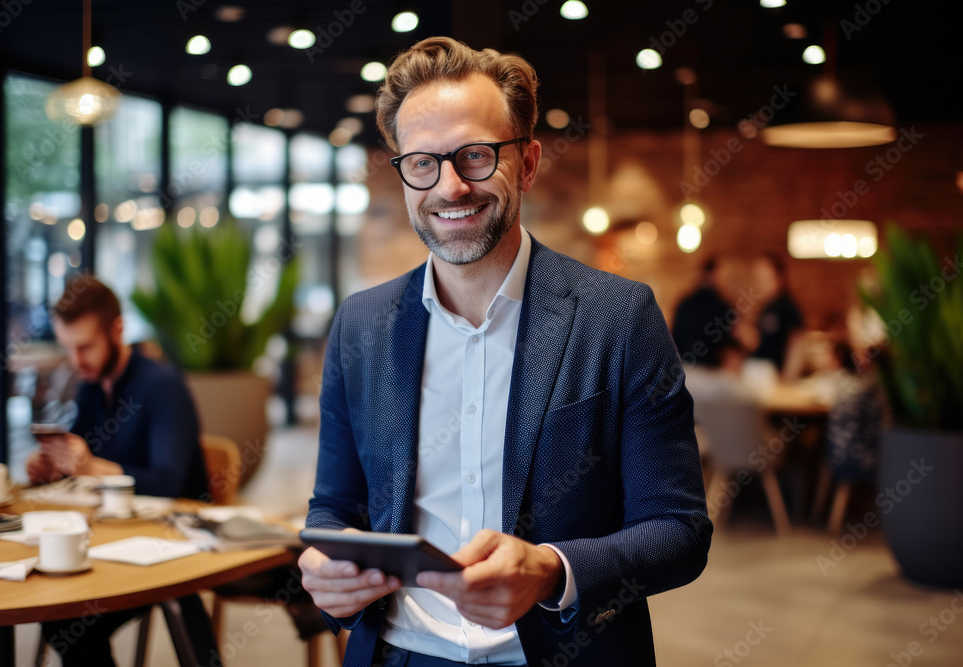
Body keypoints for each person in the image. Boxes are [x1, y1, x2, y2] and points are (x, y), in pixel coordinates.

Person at [298, 37, 711, 666]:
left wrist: (552, 569)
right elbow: (335, 506)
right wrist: (327, 572)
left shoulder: (618, 317)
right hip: (400, 653)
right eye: (423, 163)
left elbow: (679, 532)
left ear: (528, 161)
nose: (451, 187)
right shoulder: (361, 325)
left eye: (476, 155)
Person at [28, 275, 218, 667]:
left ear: (117, 329)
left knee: (68, 621)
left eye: (85, 347)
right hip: (111, 540)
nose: (77, 361)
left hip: (173, 542)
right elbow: (78, 470)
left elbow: (169, 483)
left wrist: (91, 466)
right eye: (69, 349)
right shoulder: (91, 387)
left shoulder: (163, 386)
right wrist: (54, 467)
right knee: (57, 611)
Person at [750, 252, 805, 380]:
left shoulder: (786, 306)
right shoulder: (766, 308)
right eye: (757, 280)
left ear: (778, 278)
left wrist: (788, 377)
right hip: (762, 374)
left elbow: (797, 343)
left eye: (763, 279)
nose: (759, 285)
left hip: (777, 378)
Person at [671, 256, 731, 366]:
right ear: (713, 274)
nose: (724, 280)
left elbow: (673, 335)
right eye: (723, 275)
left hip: (684, 366)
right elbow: (728, 340)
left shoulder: (684, 302)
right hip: (710, 369)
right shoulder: (720, 305)